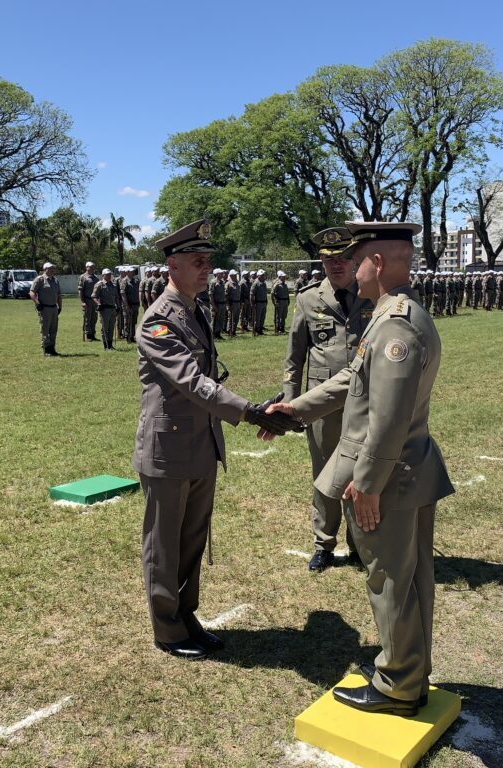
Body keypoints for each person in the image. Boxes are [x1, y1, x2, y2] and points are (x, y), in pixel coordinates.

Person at [267, 221, 454, 717]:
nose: (351, 268)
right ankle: (410, 671)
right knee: (410, 580)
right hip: (410, 468)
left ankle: (396, 683)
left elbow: (389, 417)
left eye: (359, 260)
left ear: (379, 263)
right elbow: (354, 375)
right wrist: (298, 408)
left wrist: (367, 484)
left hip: (389, 476)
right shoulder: (398, 312)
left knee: (390, 579)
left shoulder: (394, 322)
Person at [134, 218, 299, 660]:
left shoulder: (194, 310)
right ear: (173, 264)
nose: (208, 268)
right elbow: (191, 381)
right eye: (198, 260)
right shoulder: (158, 321)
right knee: (164, 546)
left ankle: (186, 617)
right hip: (168, 451)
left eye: (209, 260)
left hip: (201, 445)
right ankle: (167, 630)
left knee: (192, 542)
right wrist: (247, 411)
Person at [283, 227, 372, 573]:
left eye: (343, 258)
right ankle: (324, 544)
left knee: (362, 472)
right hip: (322, 405)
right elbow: (294, 358)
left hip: (364, 401)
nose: (336, 265)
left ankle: (360, 546)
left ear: (354, 260)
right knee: (324, 475)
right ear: (321, 260)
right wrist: (292, 404)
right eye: (329, 259)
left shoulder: (371, 294)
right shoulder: (307, 298)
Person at [30, 262, 62, 356]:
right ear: (45, 269)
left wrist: (60, 306)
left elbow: (59, 295)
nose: (53, 270)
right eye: (50, 268)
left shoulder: (55, 280)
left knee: (53, 329)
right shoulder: (40, 280)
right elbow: (32, 292)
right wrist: (37, 303)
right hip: (45, 308)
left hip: (54, 308)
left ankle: (52, 349)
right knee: (45, 329)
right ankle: (46, 349)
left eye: (53, 268)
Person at [94, 268, 118, 350]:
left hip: (112, 308)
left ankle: (110, 345)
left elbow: (116, 297)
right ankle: (106, 345)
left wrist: (118, 306)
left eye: (110, 274)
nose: (109, 276)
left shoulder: (114, 285)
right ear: (103, 275)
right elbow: (94, 296)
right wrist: (98, 304)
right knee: (105, 328)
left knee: (111, 327)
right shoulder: (99, 284)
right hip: (104, 309)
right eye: (107, 274)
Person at [78, 261, 98, 341]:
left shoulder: (96, 278)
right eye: (91, 267)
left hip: (94, 301)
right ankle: (88, 335)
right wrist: (82, 301)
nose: (92, 268)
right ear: (87, 268)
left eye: (93, 267)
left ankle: (93, 334)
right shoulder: (83, 277)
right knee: (87, 318)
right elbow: (80, 290)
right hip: (87, 300)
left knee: (94, 318)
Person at [122, 266, 140, 342]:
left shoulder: (136, 281)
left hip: (135, 304)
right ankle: (127, 336)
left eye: (133, 272)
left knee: (134, 321)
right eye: (132, 272)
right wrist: (126, 305)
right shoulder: (124, 281)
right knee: (127, 321)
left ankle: (132, 335)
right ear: (128, 272)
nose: (133, 273)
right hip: (128, 304)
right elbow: (123, 294)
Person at [211, 269, 227, 340]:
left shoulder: (222, 282)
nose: (222, 275)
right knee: (215, 320)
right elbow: (210, 295)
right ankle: (213, 335)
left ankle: (218, 334)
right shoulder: (213, 282)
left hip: (222, 303)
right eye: (221, 273)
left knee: (221, 319)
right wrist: (214, 306)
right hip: (216, 304)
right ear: (217, 274)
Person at [251, 270, 268, 336]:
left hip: (263, 302)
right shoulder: (255, 283)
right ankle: (257, 329)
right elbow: (252, 294)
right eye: (262, 275)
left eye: (264, 275)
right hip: (258, 303)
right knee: (257, 317)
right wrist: (252, 304)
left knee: (262, 317)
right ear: (259, 276)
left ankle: (260, 329)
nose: (264, 276)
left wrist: (266, 300)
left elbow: (265, 293)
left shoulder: (264, 283)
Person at [225, 269, 241, 337]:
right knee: (231, 318)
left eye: (236, 275)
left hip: (237, 303)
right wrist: (228, 304)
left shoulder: (237, 283)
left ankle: (234, 331)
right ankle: (229, 331)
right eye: (234, 275)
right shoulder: (228, 284)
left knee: (236, 318)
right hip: (232, 303)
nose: (235, 276)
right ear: (231, 276)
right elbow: (226, 295)